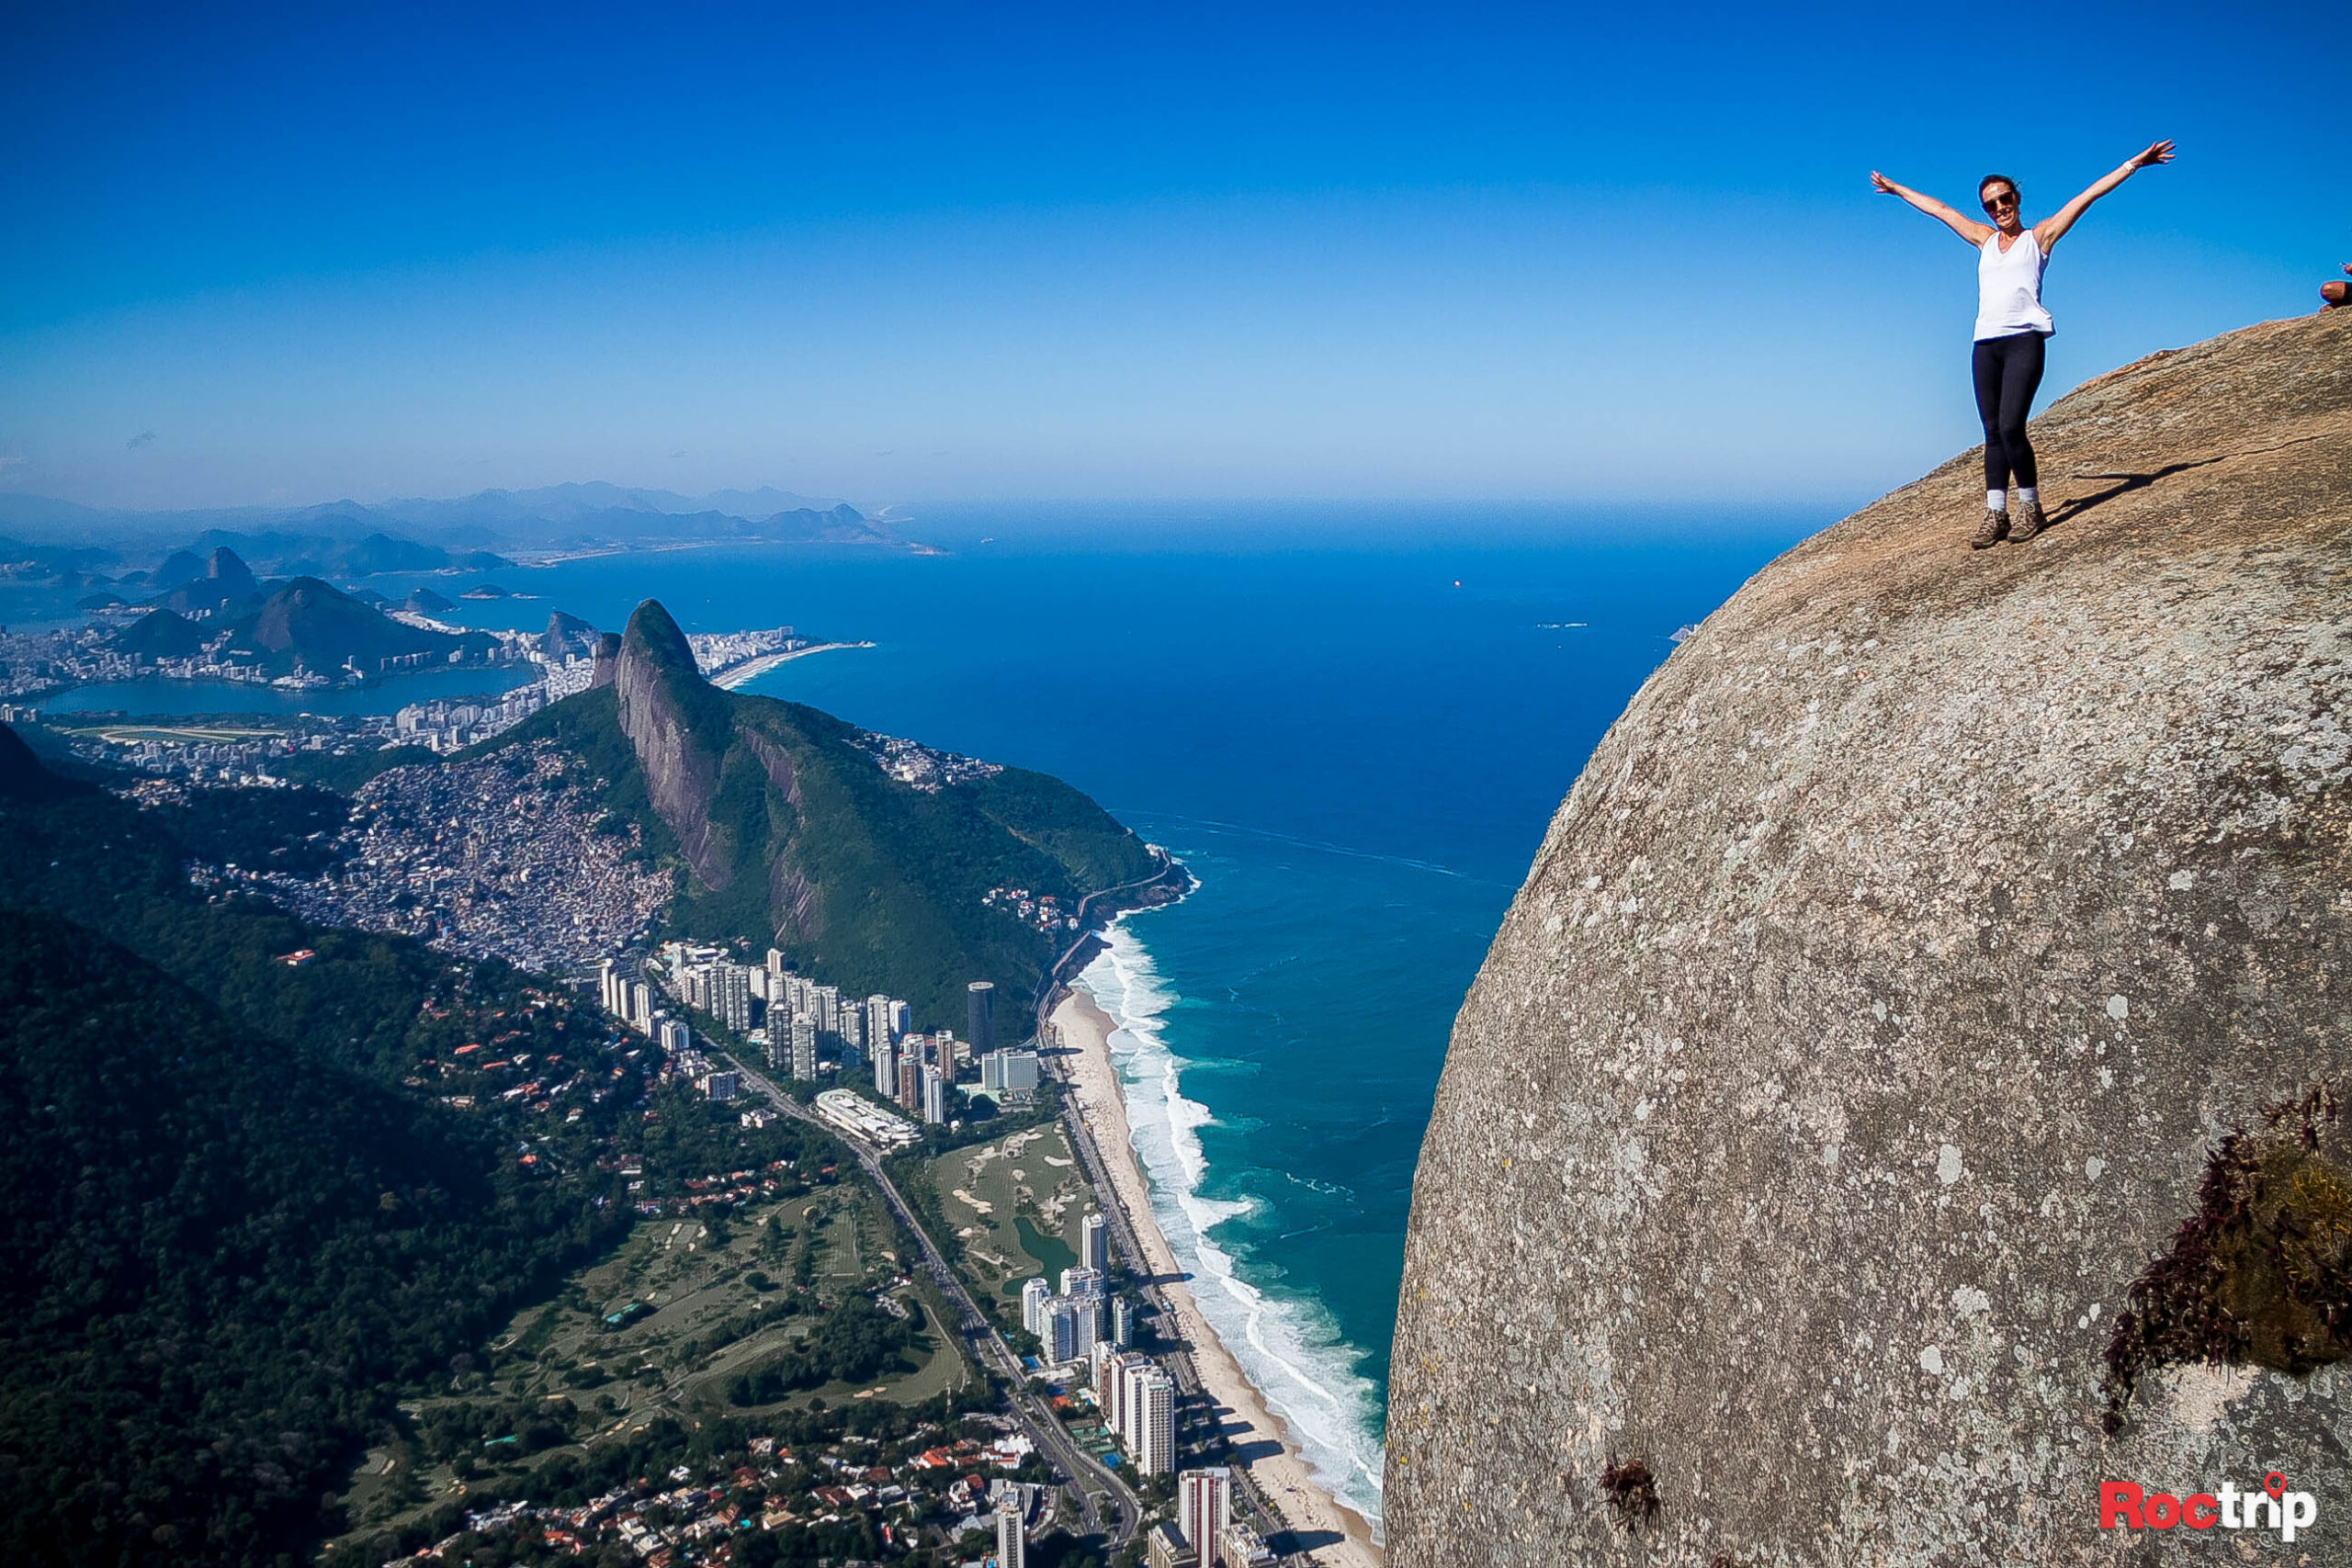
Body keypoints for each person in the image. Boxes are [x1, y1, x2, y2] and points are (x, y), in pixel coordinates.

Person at [1871, 141, 2175, 547]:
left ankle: (2031, 506)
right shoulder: (1983, 240)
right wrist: (1897, 190)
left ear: (2017, 198)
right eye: (1991, 204)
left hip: (2024, 342)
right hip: (1985, 344)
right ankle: (1996, 513)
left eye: (2005, 199)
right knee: (1993, 432)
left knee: (2013, 425)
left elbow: (2088, 195)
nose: (1999, 208)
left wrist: (2133, 164)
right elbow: (1941, 211)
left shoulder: (2040, 237)